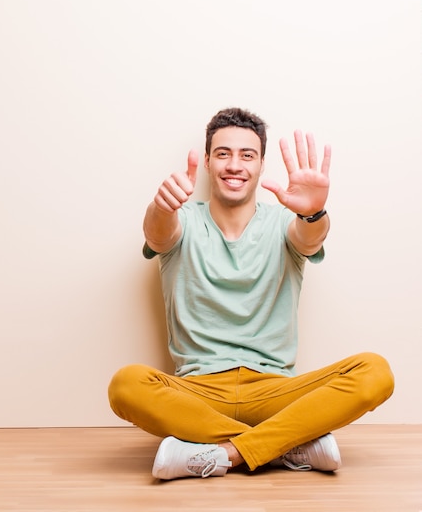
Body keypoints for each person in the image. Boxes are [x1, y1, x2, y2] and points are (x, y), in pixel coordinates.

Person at [108, 107, 394, 480]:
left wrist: (313, 213)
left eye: (247, 155)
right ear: (208, 162)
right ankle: (286, 446)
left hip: (274, 392)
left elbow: (309, 239)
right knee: (125, 385)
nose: (234, 165)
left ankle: (224, 452)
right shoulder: (183, 219)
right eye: (223, 153)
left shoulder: (283, 222)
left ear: (260, 166)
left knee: (375, 372)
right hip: (198, 392)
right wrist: (161, 207)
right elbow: (158, 234)